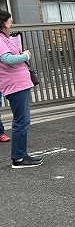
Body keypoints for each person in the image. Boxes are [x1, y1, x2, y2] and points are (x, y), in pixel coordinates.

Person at [0, 11, 43, 168]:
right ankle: (18, 158)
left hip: (18, 83)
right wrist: (25, 56)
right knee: (21, 121)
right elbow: (7, 59)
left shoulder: (5, 38)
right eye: (10, 20)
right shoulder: (0, 39)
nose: (12, 22)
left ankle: (22, 155)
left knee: (22, 120)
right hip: (14, 84)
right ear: (4, 23)